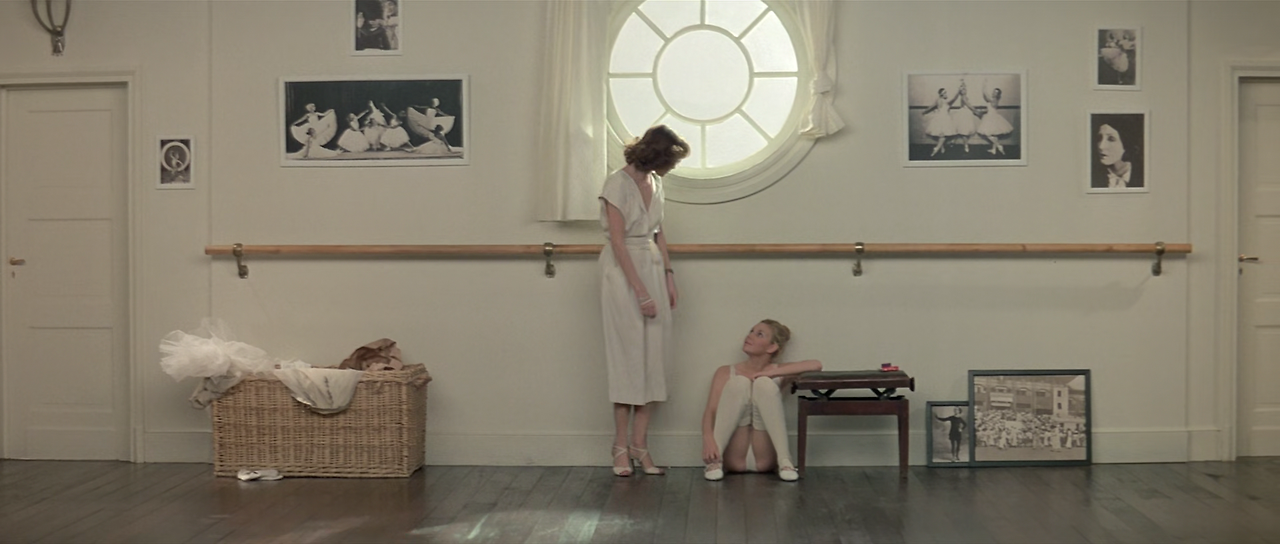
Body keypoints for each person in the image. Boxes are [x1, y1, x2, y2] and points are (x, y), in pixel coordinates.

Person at [598, 125, 690, 477]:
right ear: (657, 155)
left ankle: (641, 445)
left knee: (654, 359)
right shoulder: (616, 184)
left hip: (651, 265)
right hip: (623, 272)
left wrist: (668, 275)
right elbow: (618, 242)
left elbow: (659, 232)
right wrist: (640, 291)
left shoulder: (656, 182)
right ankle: (620, 447)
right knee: (628, 358)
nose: (673, 166)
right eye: (672, 160)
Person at [700, 320, 823, 482]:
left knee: (764, 383)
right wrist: (708, 440)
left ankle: (785, 461)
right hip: (734, 456)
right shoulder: (725, 372)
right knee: (739, 382)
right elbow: (711, 410)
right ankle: (714, 463)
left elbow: (816, 365)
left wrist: (771, 373)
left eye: (759, 334)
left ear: (772, 347)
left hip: (764, 458)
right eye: (751, 331)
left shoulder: (778, 371)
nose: (750, 336)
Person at [1091, 114, 1144, 189]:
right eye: (1099, 138)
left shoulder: (1143, 175)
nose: (1101, 146)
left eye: (1111, 139)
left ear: (1127, 143)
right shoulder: (1092, 178)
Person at [977, 80, 1014, 155]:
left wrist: (984, 85)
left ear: (997, 95)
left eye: (995, 92)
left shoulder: (994, 100)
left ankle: (999, 145)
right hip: (990, 115)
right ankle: (994, 150)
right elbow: (989, 108)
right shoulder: (993, 100)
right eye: (994, 91)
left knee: (987, 133)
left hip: (992, 117)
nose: (994, 93)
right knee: (993, 134)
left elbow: (985, 94)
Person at [920, 87, 956, 157]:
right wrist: (958, 91)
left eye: (946, 92)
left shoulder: (938, 100)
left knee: (942, 134)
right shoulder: (944, 101)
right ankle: (936, 149)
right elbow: (953, 98)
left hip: (941, 117)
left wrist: (925, 111)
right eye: (944, 93)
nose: (946, 94)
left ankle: (941, 148)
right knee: (943, 135)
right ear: (941, 94)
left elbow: (931, 107)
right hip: (943, 118)